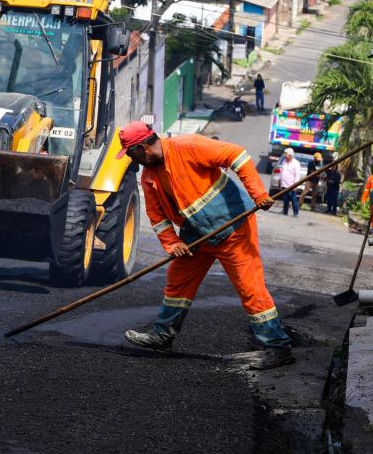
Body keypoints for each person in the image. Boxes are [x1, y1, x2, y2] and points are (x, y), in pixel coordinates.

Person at [117, 122, 294, 370]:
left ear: (142, 147)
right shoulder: (149, 176)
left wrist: (258, 194)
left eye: (130, 153)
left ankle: (277, 346)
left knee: (250, 288)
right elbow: (156, 216)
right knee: (177, 282)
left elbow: (237, 155)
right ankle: (162, 335)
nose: (130, 159)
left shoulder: (189, 146)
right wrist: (172, 242)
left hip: (233, 229)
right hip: (195, 235)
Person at [280, 148, 302, 217]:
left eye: (286, 155)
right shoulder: (284, 161)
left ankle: (296, 212)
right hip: (284, 184)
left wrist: (295, 185)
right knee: (285, 200)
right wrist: (280, 182)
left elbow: (297, 175)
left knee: (293, 200)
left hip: (291, 185)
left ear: (290, 155)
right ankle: (285, 211)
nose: (285, 156)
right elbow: (282, 172)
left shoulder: (296, 163)